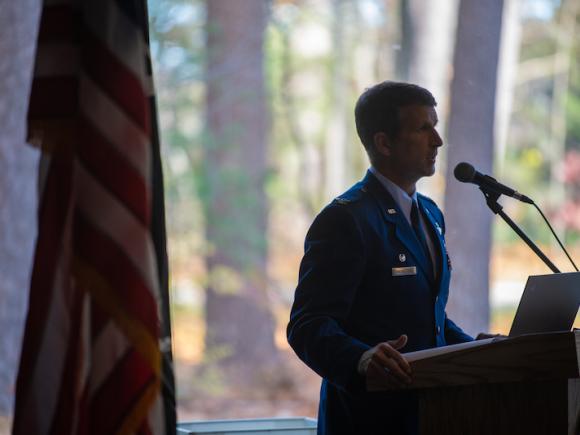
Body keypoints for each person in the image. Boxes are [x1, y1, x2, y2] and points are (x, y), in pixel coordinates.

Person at [286, 81, 474, 434]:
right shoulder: (346, 219)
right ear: (383, 142)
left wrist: (478, 348)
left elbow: (425, 318)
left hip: (430, 412)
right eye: (423, 128)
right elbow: (307, 325)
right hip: (366, 418)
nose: (437, 140)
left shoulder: (432, 214)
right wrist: (360, 358)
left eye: (435, 126)